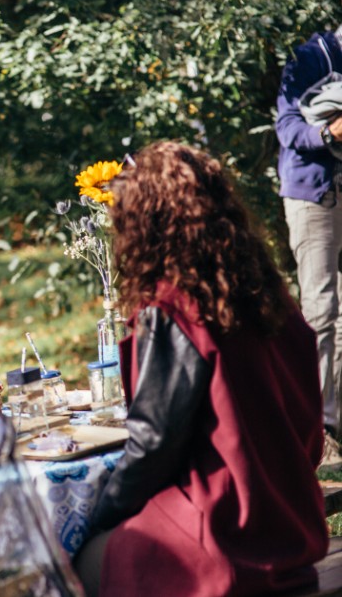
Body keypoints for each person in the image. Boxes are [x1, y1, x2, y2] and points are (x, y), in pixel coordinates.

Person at [74, 142, 328, 596]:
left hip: (224, 537)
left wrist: (96, 518)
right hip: (290, 524)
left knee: (77, 562)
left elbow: (154, 443)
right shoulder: (274, 302)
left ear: (146, 224)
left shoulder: (175, 309)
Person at [276, 23, 342, 468]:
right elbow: (287, 129)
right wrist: (331, 133)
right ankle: (322, 432)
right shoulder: (309, 58)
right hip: (313, 196)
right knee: (321, 313)